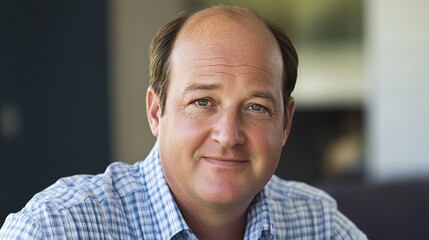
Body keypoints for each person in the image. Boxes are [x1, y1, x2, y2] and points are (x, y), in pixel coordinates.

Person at [0, 5, 366, 240]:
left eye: (256, 107)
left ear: (285, 124)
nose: (228, 135)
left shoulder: (319, 224)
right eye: (202, 102)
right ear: (156, 112)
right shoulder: (56, 229)